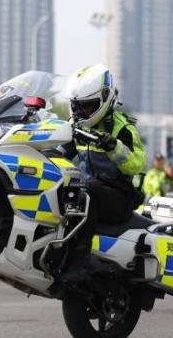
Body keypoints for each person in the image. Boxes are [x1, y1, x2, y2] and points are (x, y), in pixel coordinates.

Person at [60, 64, 146, 280]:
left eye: (87, 107)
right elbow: (59, 152)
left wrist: (113, 146)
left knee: (85, 192)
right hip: (89, 191)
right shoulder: (76, 126)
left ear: (105, 99)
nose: (81, 113)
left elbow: (136, 164)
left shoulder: (123, 128)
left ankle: (80, 262)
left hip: (118, 197)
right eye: (76, 107)